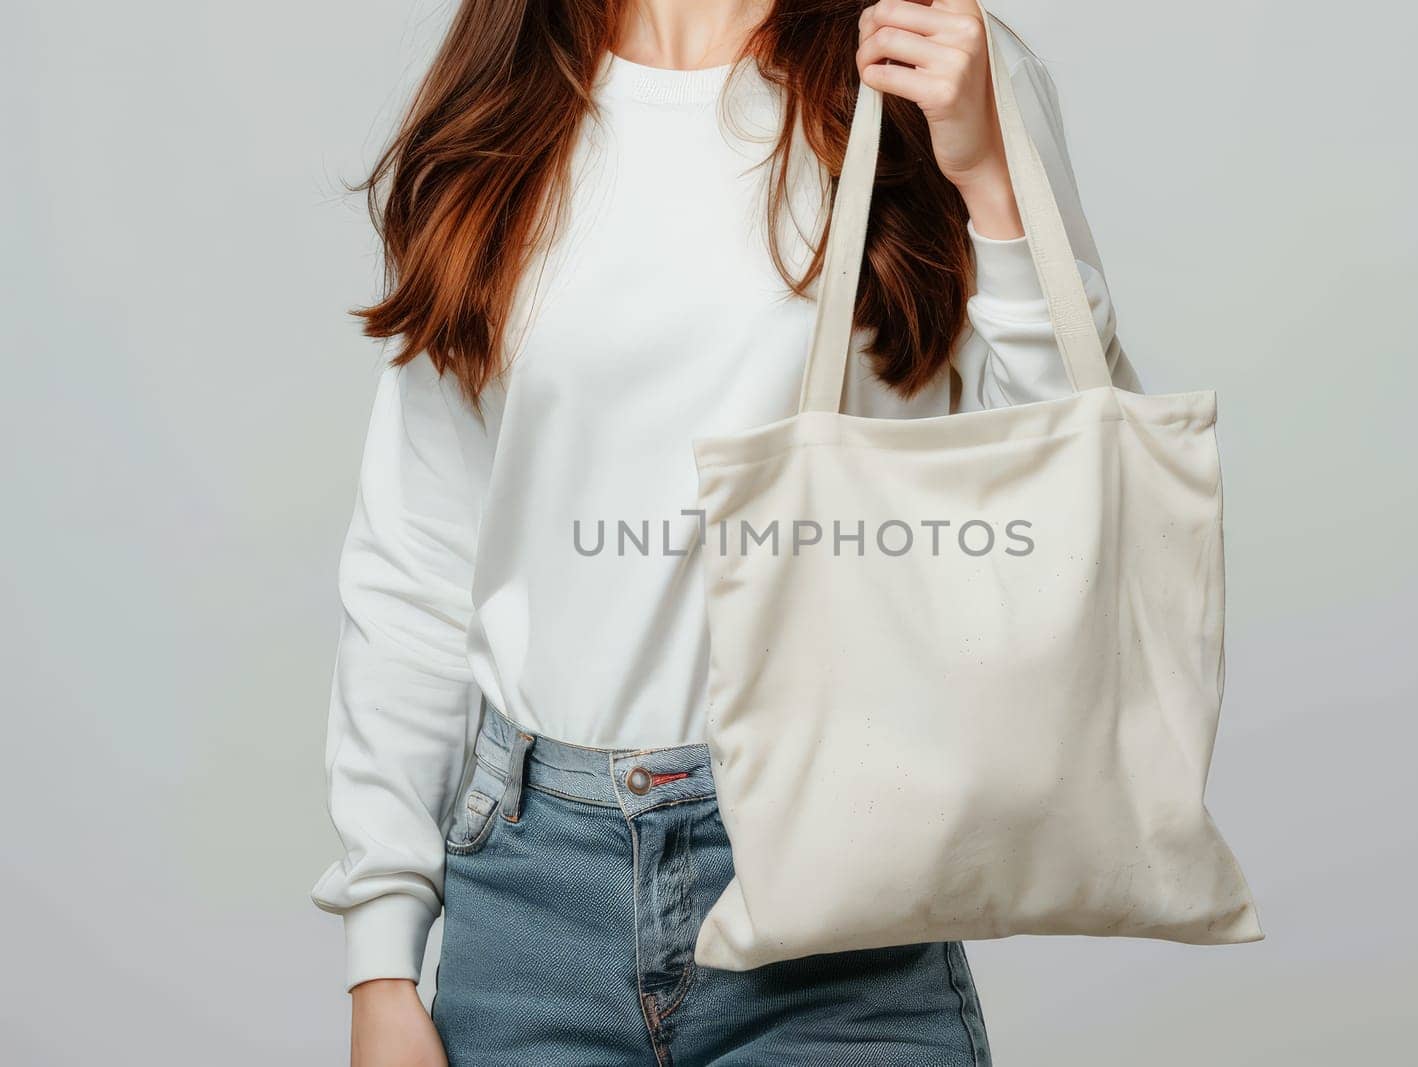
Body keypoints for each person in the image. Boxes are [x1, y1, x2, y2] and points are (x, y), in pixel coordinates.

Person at [313, 1, 1139, 1063]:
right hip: (530, 906)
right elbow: (418, 562)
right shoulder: (505, 103)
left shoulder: (928, 67)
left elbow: (1079, 490)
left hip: (837, 897)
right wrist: (382, 958)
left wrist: (993, 176)